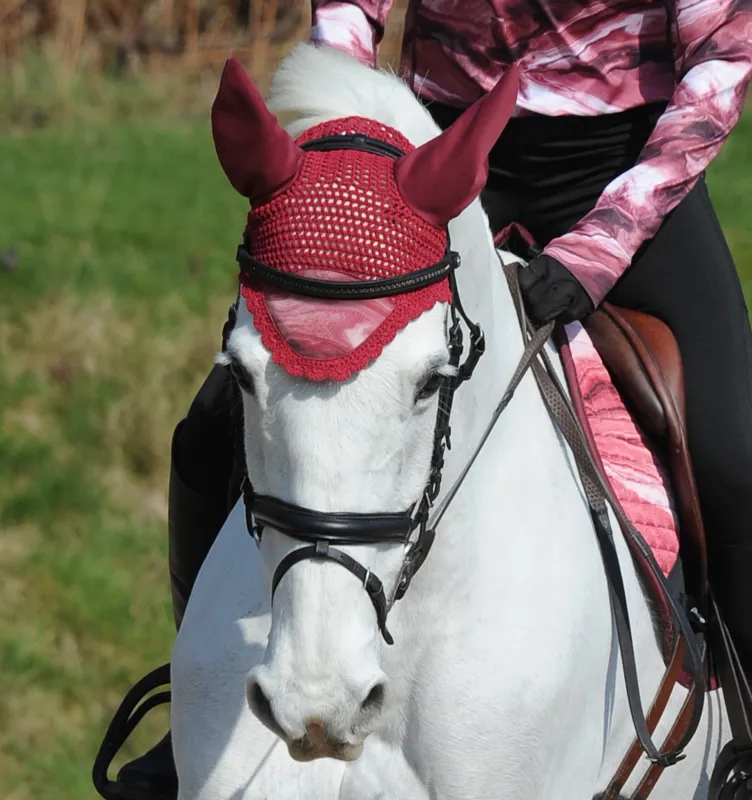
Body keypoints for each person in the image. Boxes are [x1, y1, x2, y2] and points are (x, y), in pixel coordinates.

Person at [115, 1, 752, 797]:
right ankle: (187, 722)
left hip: (612, 169)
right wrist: (350, 140)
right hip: (427, 155)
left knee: (737, 458)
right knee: (211, 428)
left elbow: (721, 62)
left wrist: (603, 243)